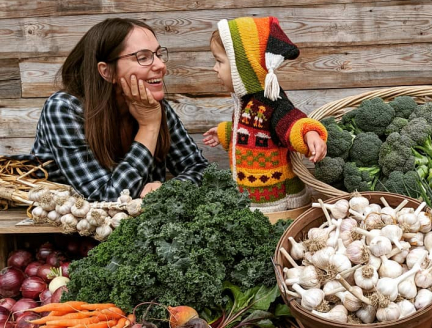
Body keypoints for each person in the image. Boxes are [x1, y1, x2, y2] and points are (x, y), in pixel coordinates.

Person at [28, 18, 208, 201]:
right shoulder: (64, 109)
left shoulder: (154, 106)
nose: (161, 66)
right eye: (143, 57)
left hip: (139, 224)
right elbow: (105, 198)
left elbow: (200, 169)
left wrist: (171, 189)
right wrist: (149, 127)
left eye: (158, 54)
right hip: (60, 226)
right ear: (107, 71)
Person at [202, 16, 328, 213]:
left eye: (219, 61)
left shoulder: (271, 101)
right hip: (254, 202)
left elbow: (291, 123)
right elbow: (253, 133)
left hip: (278, 205)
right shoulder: (247, 101)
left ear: (243, 66)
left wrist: (309, 134)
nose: (214, 68)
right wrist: (225, 132)